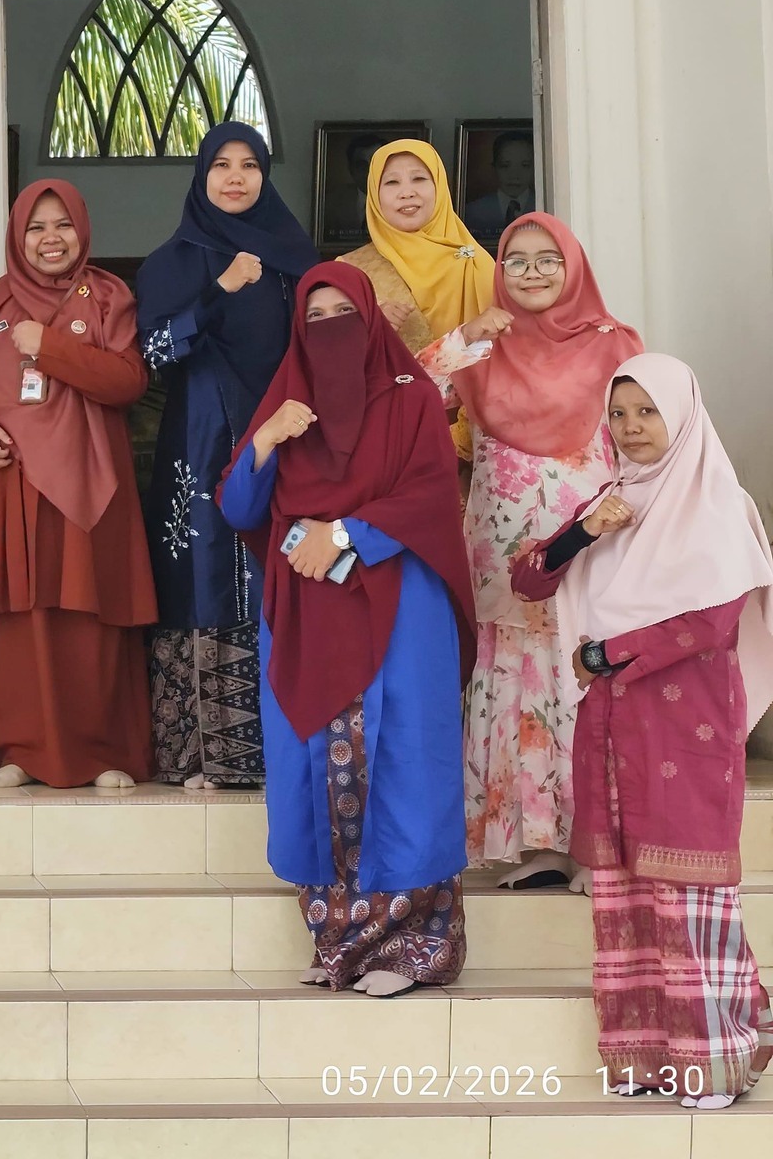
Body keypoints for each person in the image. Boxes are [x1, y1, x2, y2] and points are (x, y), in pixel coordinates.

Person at [513, 356, 773, 1108]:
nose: (630, 428)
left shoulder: (716, 505)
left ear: (682, 416)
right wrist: (582, 532)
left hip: (687, 723)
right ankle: (646, 1060)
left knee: (689, 891)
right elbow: (529, 577)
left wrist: (607, 653)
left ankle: (714, 1060)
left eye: (647, 412)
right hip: (611, 722)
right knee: (623, 892)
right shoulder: (610, 502)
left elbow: (711, 623)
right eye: (619, 413)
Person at [218, 263, 471, 996]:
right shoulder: (287, 404)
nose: (330, 329)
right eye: (315, 317)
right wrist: (266, 440)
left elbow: (430, 494)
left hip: (399, 603)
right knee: (318, 767)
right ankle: (341, 945)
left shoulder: (412, 397)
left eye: (344, 314)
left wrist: (350, 533)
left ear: (372, 320)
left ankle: (417, 948)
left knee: (401, 762)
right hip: (309, 609)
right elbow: (238, 507)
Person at [416, 214, 641, 888]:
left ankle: (598, 848)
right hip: (503, 550)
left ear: (574, 266)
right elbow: (405, 399)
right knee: (519, 684)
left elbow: (646, 434)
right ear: (499, 270)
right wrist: (463, 339)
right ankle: (536, 844)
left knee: (584, 676)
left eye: (549, 259)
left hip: (591, 546)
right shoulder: (483, 346)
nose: (534, 272)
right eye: (517, 260)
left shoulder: (615, 342)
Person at [137, 124, 317, 788]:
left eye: (249, 165)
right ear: (201, 175)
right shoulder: (173, 262)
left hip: (286, 434)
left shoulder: (295, 259)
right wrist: (219, 292)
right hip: (199, 436)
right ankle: (199, 756)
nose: (236, 177)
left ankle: (280, 751)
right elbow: (152, 355)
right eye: (221, 164)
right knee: (200, 571)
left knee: (281, 575)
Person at [0, 178, 156, 790]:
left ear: (82, 229)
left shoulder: (108, 296)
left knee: (89, 618)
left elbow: (127, 382)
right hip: (9, 482)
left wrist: (48, 347)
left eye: (63, 224)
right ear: (17, 235)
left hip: (89, 481)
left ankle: (101, 753)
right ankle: (18, 752)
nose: (51, 239)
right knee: (15, 621)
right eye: (36, 227)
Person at [339, 138, 494, 456]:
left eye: (419, 178)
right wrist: (369, 327)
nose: (407, 192)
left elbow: (509, 350)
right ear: (373, 195)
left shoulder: (477, 263)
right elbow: (331, 366)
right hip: (388, 434)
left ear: (440, 187)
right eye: (392, 182)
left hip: (478, 434)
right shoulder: (350, 272)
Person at [460, 132, 537, 251]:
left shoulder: (543, 208)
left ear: (535, 167)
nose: (514, 175)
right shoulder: (473, 212)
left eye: (525, 165)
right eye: (505, 166)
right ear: (494, 168)